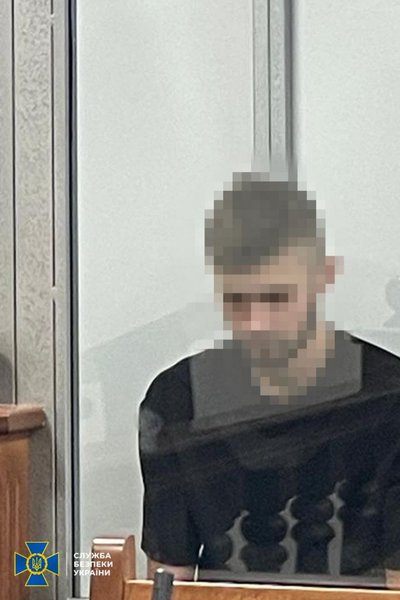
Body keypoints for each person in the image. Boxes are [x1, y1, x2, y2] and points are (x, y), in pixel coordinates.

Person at [138, 173, 400, 587]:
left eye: (277, 297)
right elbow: (170, 576)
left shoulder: (390, 398)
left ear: (323, 276)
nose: (256, 322)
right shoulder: (175, 400)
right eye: (236, 299)